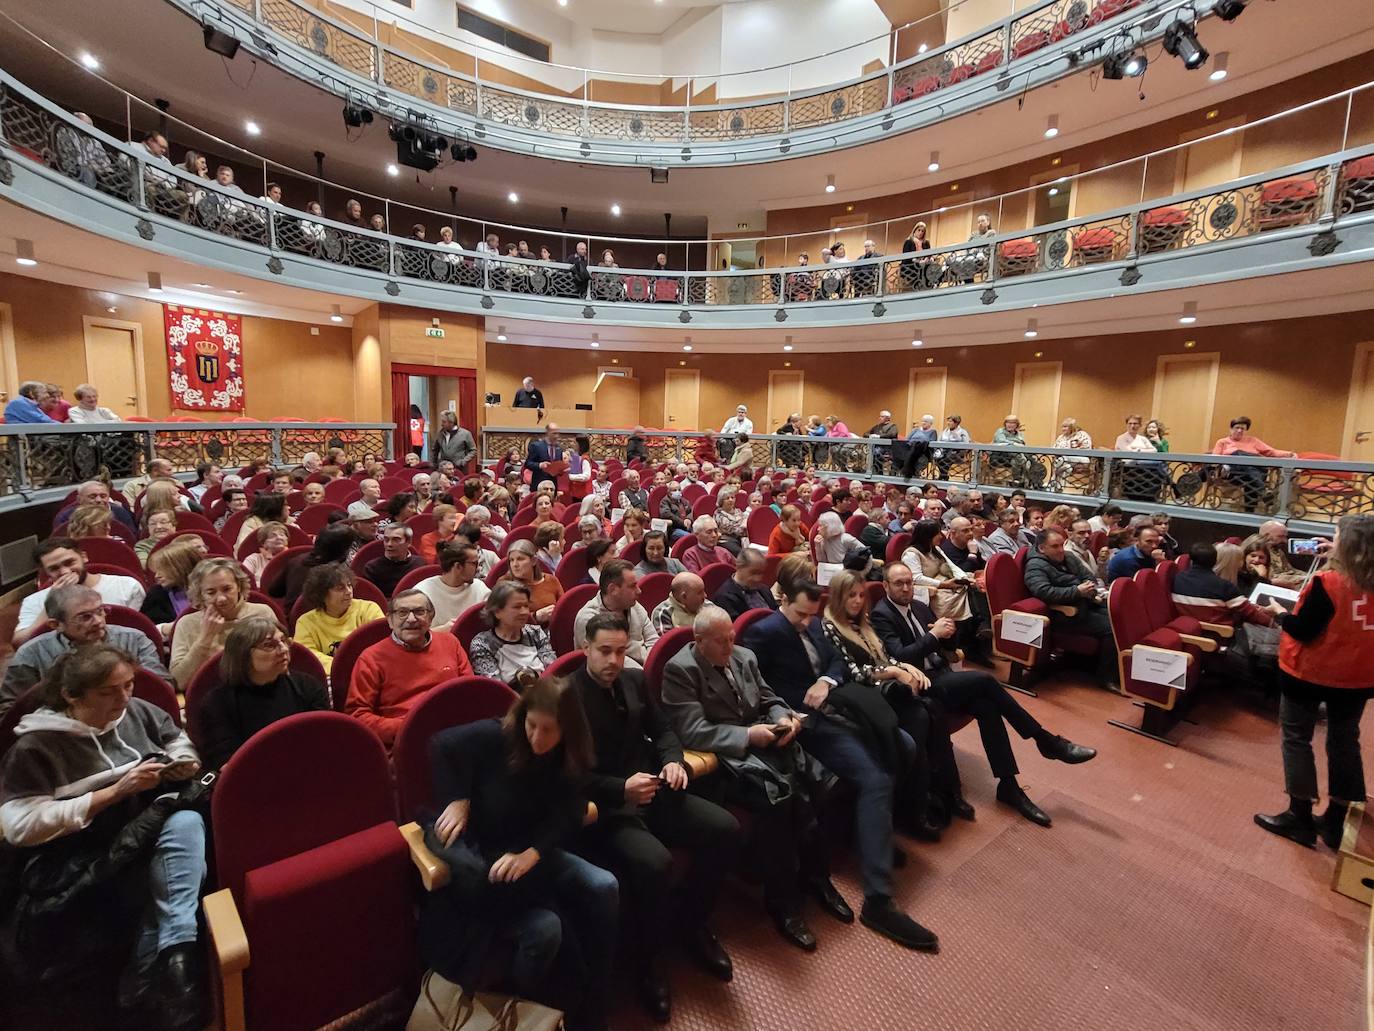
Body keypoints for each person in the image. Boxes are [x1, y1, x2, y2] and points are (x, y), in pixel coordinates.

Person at [0, 644, 207, 1028]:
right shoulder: (36, 746)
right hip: (82, 854)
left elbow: (175, 737)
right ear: (71, 695)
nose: (125, 697)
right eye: (109, 691)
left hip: (144, 829)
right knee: (159, 883)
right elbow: (19, 826)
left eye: (129, 685)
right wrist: (113, 792)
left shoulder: (137, 711)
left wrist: (183, 761)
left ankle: (170, 958)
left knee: (187, 822)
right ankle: (170, 964)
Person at [742, 580, 939, 950]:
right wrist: (789, 710)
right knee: (875, 778)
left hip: (839, 707)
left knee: (905, 744)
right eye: (799, 614)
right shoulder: (762, 633)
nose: (806, 623)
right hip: (808, 724)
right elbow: (754, 687)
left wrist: (825, 678)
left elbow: (835, 659)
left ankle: (871, 836)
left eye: (811, 615)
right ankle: (878, 899)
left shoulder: (815, 622)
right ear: (782, 599)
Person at [419, 678, 615, 1031]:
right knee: (544, 923)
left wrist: (532, 854)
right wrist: (459, 797)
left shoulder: (571, 754)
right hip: (484, 846)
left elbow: (569, 814)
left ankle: (600, 986)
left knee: (604, 885)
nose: (537, 739)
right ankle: (531, 1000)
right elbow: (439, 745)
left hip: (531, 847)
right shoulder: (498, 735)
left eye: (549, 730)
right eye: (532, 725)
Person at [571, 613, 740, 1019]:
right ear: (585, 650)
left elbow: (663, 730)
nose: (614, 660)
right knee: (655, 863)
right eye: (604, 652)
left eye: (621, 650)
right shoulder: (564, 696)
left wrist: (674, 762)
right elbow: (567, 775)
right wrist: (620, 788)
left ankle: (692, 924)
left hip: (655, 789)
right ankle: (649, 961)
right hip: (609, 808)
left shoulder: (632, 680)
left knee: (726, 830)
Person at [661, 607, 847, 952]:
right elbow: (693, 730)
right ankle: (783, 904)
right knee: (779, 805)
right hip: (725, 763)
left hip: (764, 748)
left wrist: (784, 718)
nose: (729, 646)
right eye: (720, 642)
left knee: (812, 792)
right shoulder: (681, 670)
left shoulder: (743, 655)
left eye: (732, 637)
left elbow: (768, 697)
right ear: (699, 641)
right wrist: (749, 735)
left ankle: (817, 878)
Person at [870, 563, 1096, 827]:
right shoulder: (881, 614)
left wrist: (949, 635)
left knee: (987, 706)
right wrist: (934, 635)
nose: (906, 588)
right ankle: (1045, 740)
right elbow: (901, 656)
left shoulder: (919, 607)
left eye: (909, 582)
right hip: (921, 684)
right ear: (886, 586)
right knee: (986, 680)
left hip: (942, 674)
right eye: (899, 583)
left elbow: (945, 646)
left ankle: (1009, 785)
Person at [1250, 514, 1374, 848]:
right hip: (1359, 676)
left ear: (1347, 546)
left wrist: (1279, 612)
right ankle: (1338, 820)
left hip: (1311, 673)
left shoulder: (1329, 582)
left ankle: (1299, 817)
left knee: (1296, 739)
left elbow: (1303, 630)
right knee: (1345, 740)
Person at [1, 584, 170, 716]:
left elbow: (160, 686)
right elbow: (12, 711)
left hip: (133, 717)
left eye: (100, 611)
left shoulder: (134, 639)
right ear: (56, 625)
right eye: (85, 617)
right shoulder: (31, 654)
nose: (98, 621)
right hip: (61, 733)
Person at [345, 590, 473, 750]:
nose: (411, 619)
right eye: (402, 613)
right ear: (390, 620)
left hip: (457, 732)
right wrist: (410, 727)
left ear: (430, 617)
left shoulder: (450, 643)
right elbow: (358, 715)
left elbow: (469, 693)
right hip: (406, 740)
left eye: (419, 612)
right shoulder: (371, 658)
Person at [198, 617, 330, 769]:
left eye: (284, 641)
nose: (284, 649)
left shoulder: (307, 686)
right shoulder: (217, 703)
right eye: (269, 645)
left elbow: (325, 739)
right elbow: (226, 765)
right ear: (243, 654)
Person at [1023, 528, 1118, 689]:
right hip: (1064, 614)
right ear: (1041, 548)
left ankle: (1098, 665)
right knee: (1112, 628)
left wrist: (1089, 587)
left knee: (1119, 618)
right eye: (1055, 546)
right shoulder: (1035, 565)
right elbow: (1043, 592)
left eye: (1062, 545)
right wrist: (1077, 591)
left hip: (1086, 604)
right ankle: (1106, 677)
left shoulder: (1069, 556)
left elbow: (1088, 576)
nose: (1060, 550)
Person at [15, 538, 147, 647]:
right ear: (46, 572)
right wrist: (50, 602)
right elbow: (20, 643)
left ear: (84, 557)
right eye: (54, 569)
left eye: (69, 563)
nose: (65, 572)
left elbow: (143, 630)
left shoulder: (127, 586)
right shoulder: (34, 601)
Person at [168, 558, 278, 685]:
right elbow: (179, 681)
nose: (221, 599)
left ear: (239, 586)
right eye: (211, 592)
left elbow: (280, 663)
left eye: (227, 589)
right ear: (200, 594)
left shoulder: (262, 613)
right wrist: (205, 639)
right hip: (211, 694)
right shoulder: (187, 624)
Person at [293, 563, 385, 673]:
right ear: (322, 594)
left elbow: (382, 646)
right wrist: (342, 667)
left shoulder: (369, 609)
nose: (349, 591)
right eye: (340, 588)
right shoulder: (306, 622)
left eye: (349, 585)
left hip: (368, 671)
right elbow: (308, 657)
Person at [1171, 542, 1280, 628]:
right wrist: (1276, 626)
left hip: (1193, 630)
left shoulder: (1177, 578)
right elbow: (1251, 614)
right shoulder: (1224, 586)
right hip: (1220, 634)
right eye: (1240, 560)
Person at [573, 559, 659, 666]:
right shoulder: (588, 618)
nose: (639, 591)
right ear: (613, 589)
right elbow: (613, 661)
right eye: (632, 586)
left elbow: (654, 641)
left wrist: (653, 664)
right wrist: (649, 668)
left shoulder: (633, 605)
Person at [468, 582, 556, 686]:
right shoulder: (482, 644)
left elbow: (552, 671)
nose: (524, 612)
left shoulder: (535, 632)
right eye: (517, 607)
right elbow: (495, 690)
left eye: (526, 606)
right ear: (497, 612)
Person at [1212, 416, 1295, 512]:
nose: (1239, 430)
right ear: (1230, 429)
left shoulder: (1253, 441)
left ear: (1246, 430)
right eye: (1237, 428)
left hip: (1251, 473)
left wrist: (1290, 454)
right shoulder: (1222, 442)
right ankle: (1259, 498)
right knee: (1239, 455)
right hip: (1233, 473)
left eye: (1242, 428)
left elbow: (1270, 452)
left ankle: (1253, 506)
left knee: (1250, 472)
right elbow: (1214, 459)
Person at [415, 542, 492, 633]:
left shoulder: (479, 587)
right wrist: (442, 630)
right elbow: (413, 635)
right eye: (474, 563)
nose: (479, 569)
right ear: (458, 566)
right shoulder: (422, 593)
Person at [503, 538, 563, 624]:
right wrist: (535, 617)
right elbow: (504, 619)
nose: (515, 564)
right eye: (511, 560)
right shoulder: (504, 584)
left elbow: (563, 608)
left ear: (533, 561)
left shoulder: (551, 580)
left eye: (520, 559)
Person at [712, 547, 778, 621]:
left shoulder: (764, 589)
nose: (758, 578)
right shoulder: (724, 597)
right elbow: (738, 628)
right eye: (754, 573)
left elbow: (776, 612)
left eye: (761, 573)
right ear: (739, 567)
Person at [363, 523, 427, 597]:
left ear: (409, 542)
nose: (389, 544)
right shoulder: (372, 568)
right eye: (386, 540)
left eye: (396, 540)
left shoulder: (420, 564)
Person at [56, 480, 139, 535]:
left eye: (103, 496)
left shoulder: (120, 512)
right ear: (79, 499)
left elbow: (131, 537)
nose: (99, 500)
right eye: (92, 496)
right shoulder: (66, 516)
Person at [650, 571, 716, 634]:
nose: (705, 596)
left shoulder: (707, 605)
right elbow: (669, 644)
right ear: (684, 597)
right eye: (700, 592)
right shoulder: (663, 613)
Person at [525, 422, 564, 493]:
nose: (556, 436)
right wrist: (540, 465)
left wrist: (562, 470)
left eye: (558, 433)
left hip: (552, 486)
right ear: (547, 433)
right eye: (554, 433)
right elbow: (528, 463)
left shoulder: (559, 448)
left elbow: (559, 467)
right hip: (539, 484)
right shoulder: (536, 446)